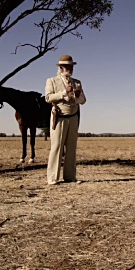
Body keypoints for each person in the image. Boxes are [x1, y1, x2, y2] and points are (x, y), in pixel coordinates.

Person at [45, 54, 86, 185]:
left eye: (71, 66)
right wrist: (64, 93)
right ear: (61, 67)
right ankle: (52, 178)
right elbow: (48, 98)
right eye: (67, 66)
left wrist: (77, 96)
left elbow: (83, 100)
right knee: (56, 146)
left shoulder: (77, 82)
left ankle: (70, 176)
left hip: (73, 117)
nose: (70, 69)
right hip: (59, 116)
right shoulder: (52, 81)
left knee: (72, 147)